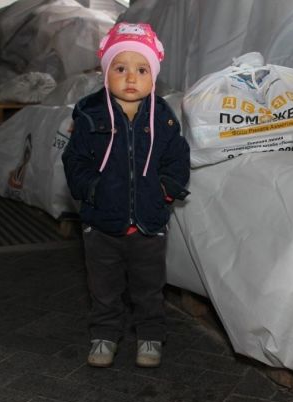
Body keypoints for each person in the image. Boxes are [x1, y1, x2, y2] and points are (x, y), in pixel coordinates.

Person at [61, 22, 190, 368]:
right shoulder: (90, 113)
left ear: (153, 76)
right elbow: (75, 160)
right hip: (102, 222)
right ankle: (104, 336)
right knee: (103, 287)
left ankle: (150, 337)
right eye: (120, 68)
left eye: (141, 70)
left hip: (148, 222)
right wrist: (92, 189)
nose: (131, 77)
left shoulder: (162, 116)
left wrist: (165, 191)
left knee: (149, 287)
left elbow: (177, 157)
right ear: (106, 72)